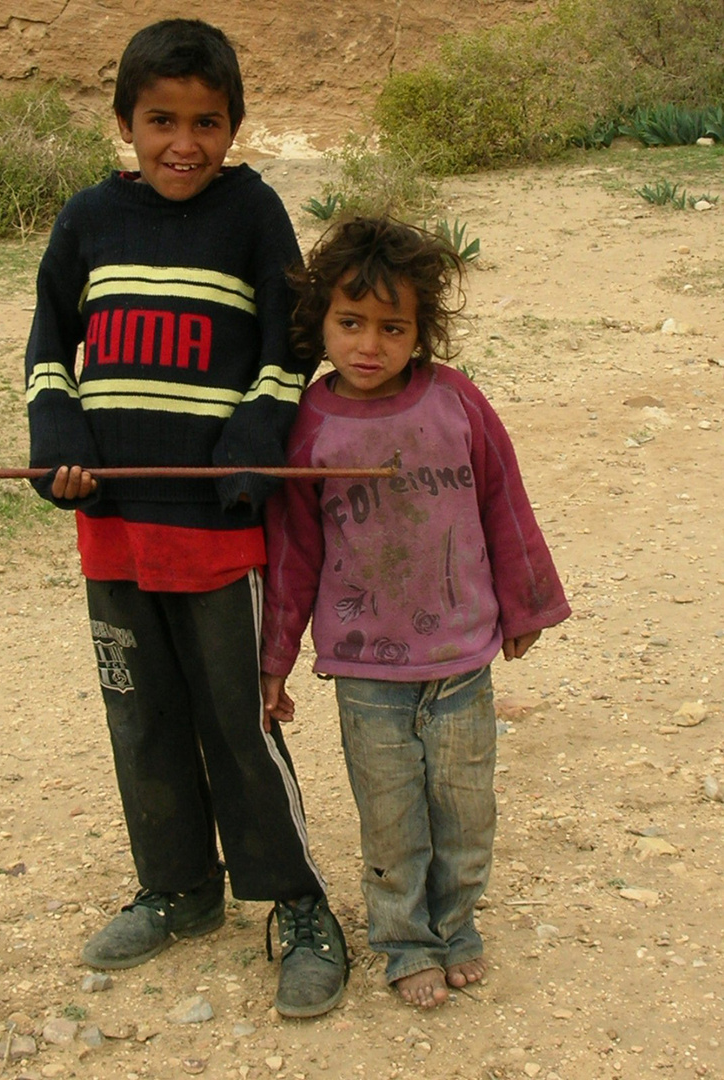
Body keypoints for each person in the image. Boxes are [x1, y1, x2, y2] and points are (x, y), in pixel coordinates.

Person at [25, 18, 347, 1019]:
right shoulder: (86, 220)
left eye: (207, 122)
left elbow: (288, 345)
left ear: (234, 126)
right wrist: (56, 443)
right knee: (144, 717)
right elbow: (47, 346)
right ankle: (178, 888)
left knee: (239, 720)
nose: (183, 142)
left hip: (215, 526)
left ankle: (296, 902)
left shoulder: (252, 214)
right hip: (113, 526)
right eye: (161, 119)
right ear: (125, 121)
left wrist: (249, 448)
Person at [260, 217, 571, 1009]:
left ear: (420, 331)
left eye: (392, 327)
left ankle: (457, 927)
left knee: (465, 812)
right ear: (320, 324)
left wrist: (523, 605)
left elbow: (503, 497)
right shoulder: (309, 426)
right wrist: (274, 662)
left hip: (462, 660)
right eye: (351, 323)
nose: (370, 345)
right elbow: (294, 553)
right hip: (368, 673)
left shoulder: (455, 399)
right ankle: (403, 940)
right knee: (394, 822)